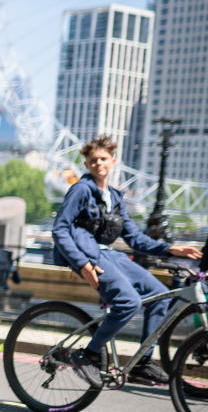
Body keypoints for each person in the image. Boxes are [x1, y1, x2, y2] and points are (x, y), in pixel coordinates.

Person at [52, 135, 202, 388]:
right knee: (128, 301)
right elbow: (60, 229)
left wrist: (172, 248)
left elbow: (135, 238)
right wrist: (81, 263)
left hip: (110, 255)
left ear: (113, 161)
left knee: (161, 295)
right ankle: (87, 355)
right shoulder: (81, 189)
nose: (98, 163)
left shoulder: (115, 197)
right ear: (87, 165)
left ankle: (142, 362)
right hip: (89, 255)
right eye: (92, 161)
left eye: (102, 159)